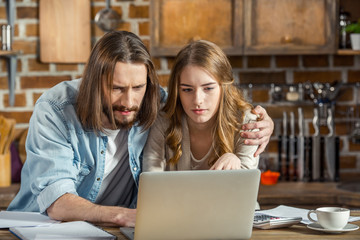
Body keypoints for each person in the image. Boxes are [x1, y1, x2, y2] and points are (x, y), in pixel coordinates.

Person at [8, 31, 273, 227]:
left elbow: (196, 99)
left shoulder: (157, 102)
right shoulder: (56, 110)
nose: (129, 102)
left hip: (116, 230)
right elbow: (57, 202)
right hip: (41, 227)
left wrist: (265, 124)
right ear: (92, 83)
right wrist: (120, 215)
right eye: (116, 88)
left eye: (138, 87)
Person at [143, 40, 261, 172]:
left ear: (224, 87)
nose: (197, 100)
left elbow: (245, 187)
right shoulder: (162, 121)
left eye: (208, 88)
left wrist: (235, 163)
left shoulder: (247, 123)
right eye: (187, 90)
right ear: (177, 90)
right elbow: (151, 179)